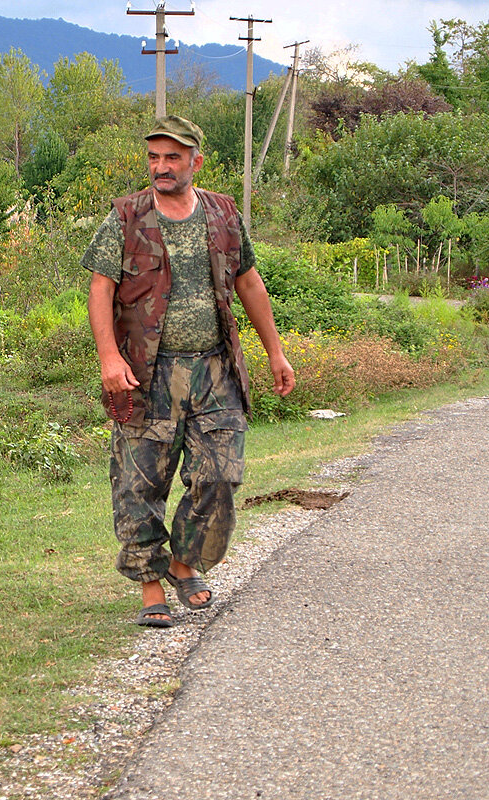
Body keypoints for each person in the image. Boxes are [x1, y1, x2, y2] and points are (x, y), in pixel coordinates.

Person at [83, 115, 295, 627]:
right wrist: (110, 358)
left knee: (220, 476)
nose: (161, 166)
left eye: (172, 158)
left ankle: (184, 562)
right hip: (146, 373)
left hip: (216, 369)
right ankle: (150, 584)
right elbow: (100, 289)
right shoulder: (125, 217)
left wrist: (275, 351)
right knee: (140, 483)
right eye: (154, 157)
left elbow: (249, 283)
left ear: (195, 161)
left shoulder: (223, 214)